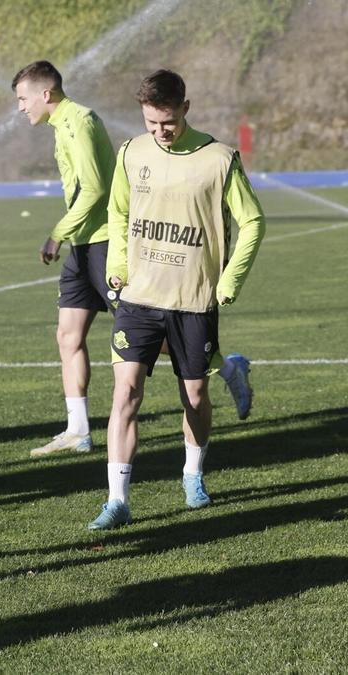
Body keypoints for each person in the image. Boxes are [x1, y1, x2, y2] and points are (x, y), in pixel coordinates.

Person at [88, 70, 265, 530]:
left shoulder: (219, 158)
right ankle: (118, 500)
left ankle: (192, 475)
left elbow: (253, 222)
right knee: (125, 392)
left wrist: (229, 281)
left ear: (185, 107)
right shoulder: (132, 152)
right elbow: (119, 212)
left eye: (166, 122)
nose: (159, 132)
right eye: (150, 123)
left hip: (193, 299)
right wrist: (118, 267)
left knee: (195, 394)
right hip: (139, 298)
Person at [11, 61, 117, 457]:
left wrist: (58, 233)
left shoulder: (80, 121)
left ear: (45, 93)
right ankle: (78, 430)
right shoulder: (61, 125)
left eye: (23, 99)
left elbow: (94, 189)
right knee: (67, 336)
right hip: (82, 244)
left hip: (105, 242)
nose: (21, 108)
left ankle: (222, 365)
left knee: (141, 336)